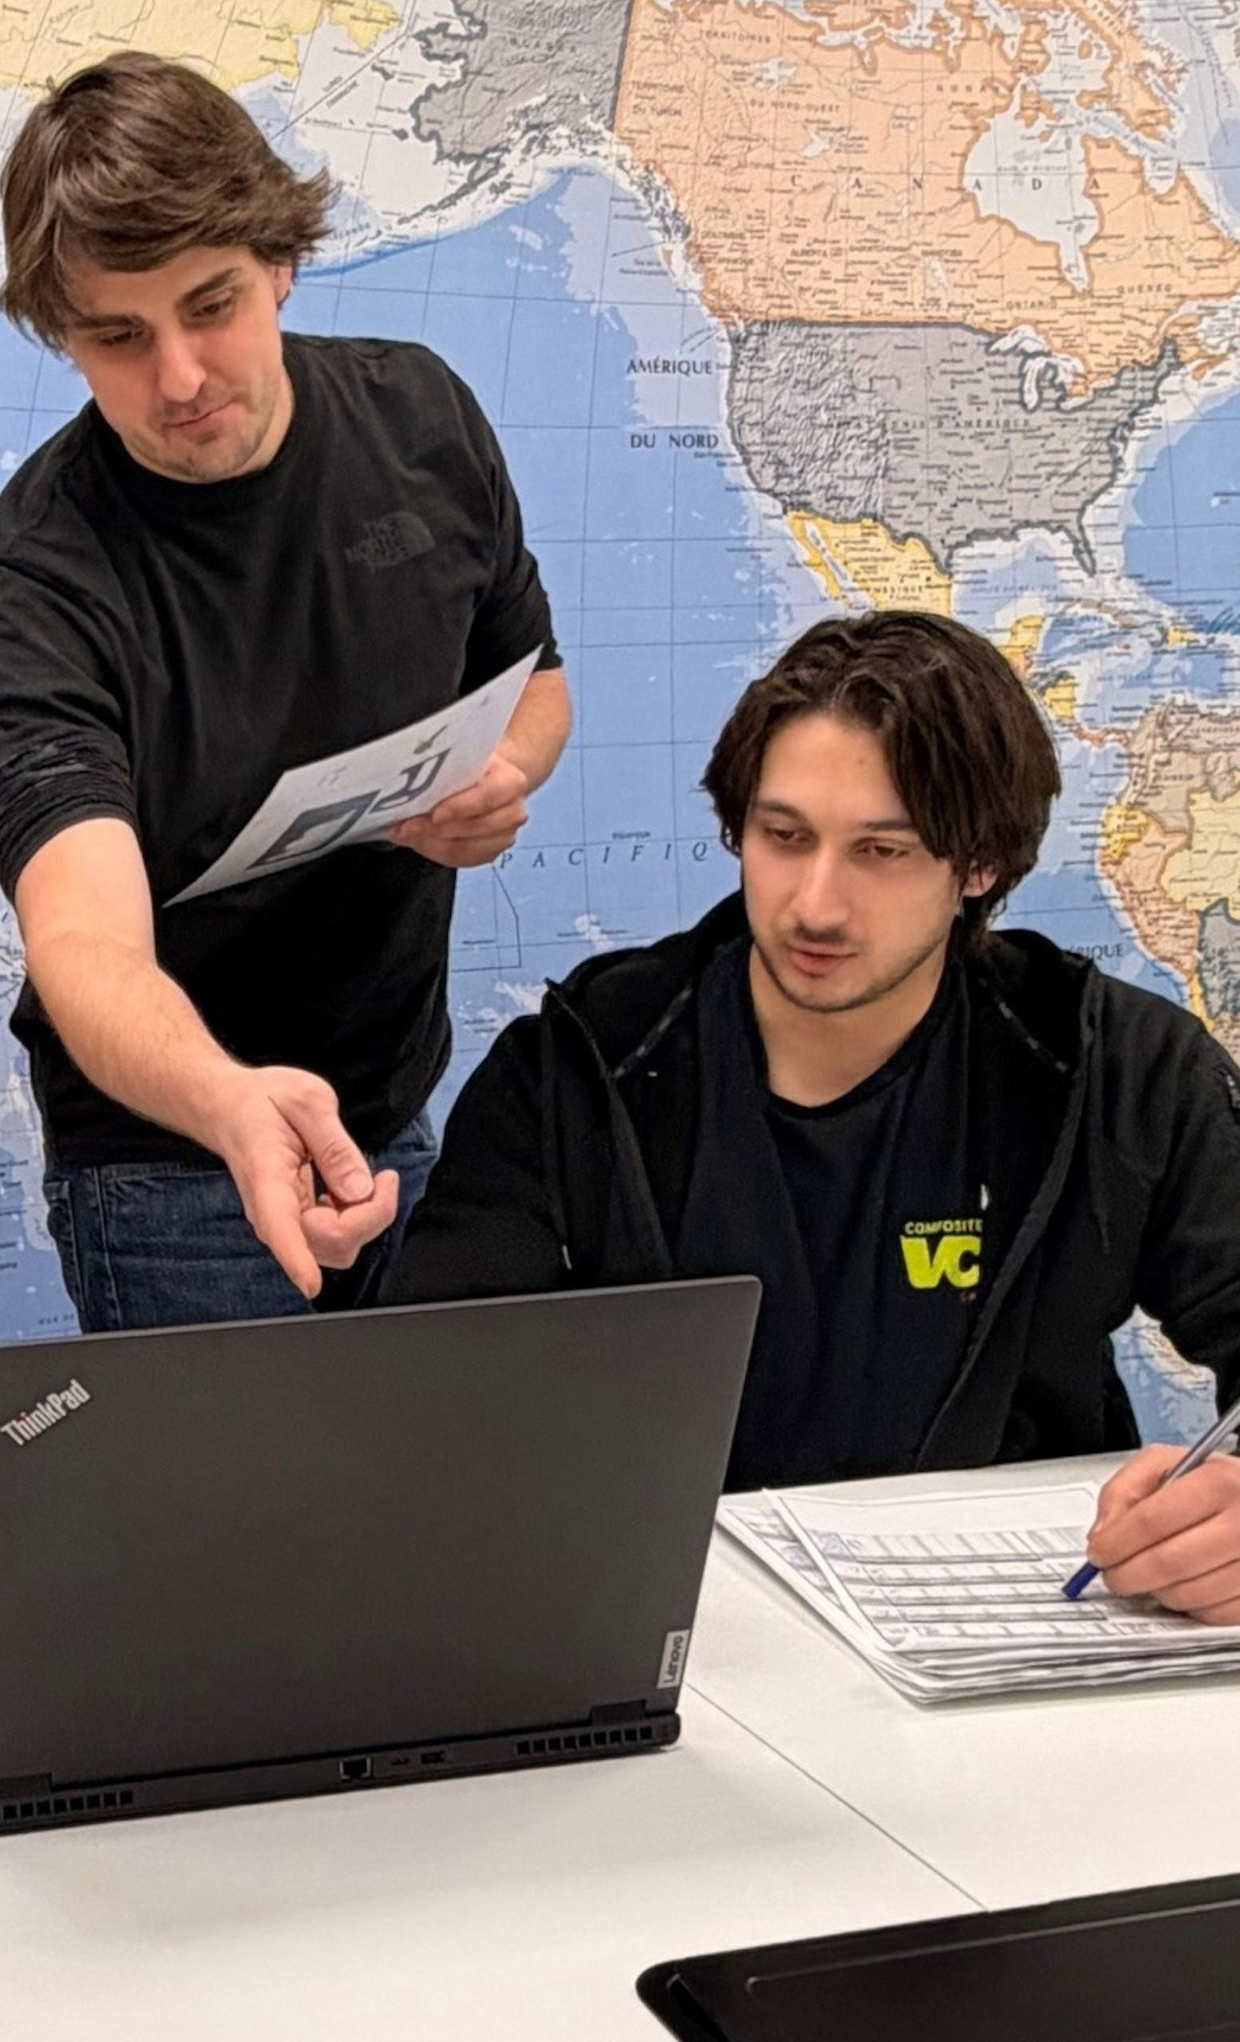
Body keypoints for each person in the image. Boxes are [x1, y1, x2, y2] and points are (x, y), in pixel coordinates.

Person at [384, 610, 1240, 1623]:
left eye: (881, 850)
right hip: (688, 1633)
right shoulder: (578, 1068)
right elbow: (428, 1405)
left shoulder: (1118, 1069)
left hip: (1021, 1625)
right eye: (783, 837)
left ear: (978, 867)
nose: (815, 905)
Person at [0, 51, 570, 1330]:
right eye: (118, 337)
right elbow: (83, 941)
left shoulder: (423, 420)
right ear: (63, 338)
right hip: (171, 1165)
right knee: (237, 1481)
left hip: (398, 1104)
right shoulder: (30, 588)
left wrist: (502, 775)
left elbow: (535, 685)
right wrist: (233, 1105)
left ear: (280, 260)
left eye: (211, 305)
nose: (178, 377)